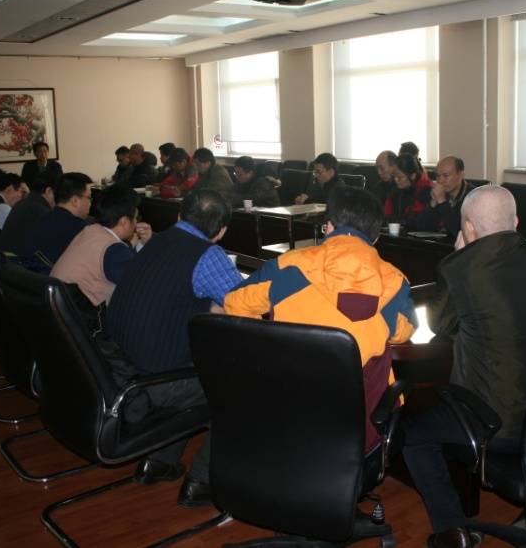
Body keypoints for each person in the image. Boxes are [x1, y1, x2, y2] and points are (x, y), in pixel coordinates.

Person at [406, 186, 526, 548]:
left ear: (468, 228)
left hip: (498, 426)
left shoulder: (460, 268)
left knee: (413, 433)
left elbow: (439, 324)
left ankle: (453, 531)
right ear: (516, 222)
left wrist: (458, 254)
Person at [225, 185, 417, 456]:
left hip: (285, 416)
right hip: (359, 429)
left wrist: (268, 348)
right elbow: (403, 332)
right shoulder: (395, 282)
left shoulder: (286, 267)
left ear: (328, 227)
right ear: (375, 237)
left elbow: (234, 302)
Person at [106, 189, 243, 503]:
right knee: (240, 387)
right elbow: (244, 304)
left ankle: (159, 462)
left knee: (194, 366)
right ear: (221, 231)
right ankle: (202, 481)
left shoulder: (155, 242)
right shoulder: (207, 254)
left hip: (120, 368)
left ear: (179, 215)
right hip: (155, 381)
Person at [51, 185, 151, 307]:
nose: (136, 222)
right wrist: (147, 248)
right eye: (135, 218)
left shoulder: (90, 230)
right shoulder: (114, 250)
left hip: (59, 307)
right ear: (124, 221)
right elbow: (140, 283)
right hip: (83, 314)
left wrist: (140, 244)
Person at [23, 172, 93, 270]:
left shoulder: (42, 218)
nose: (90, 203)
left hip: (35, 276)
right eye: (89, 198)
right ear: (75, 201)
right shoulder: (80, 230)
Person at [416, 156, 473, 236]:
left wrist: (442, 202)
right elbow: (421, 227)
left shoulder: (473, 197)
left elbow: (459, 232)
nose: (440, 180)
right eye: (438, 176)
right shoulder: (436, 192)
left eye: (445, 176)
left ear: (461, 175)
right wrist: (433, 204)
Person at [0, 175, 55, 254]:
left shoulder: (22, 204)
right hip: (17, 260)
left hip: (6, 259)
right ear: (49, 191)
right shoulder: (40, 211)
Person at [384, 153, 432, 229]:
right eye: (394, 176)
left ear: (413, 175)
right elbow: (387, 215)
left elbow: (420, 221)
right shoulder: (396, 190)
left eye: (399, 177)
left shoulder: (426, 191)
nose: (396, 180)